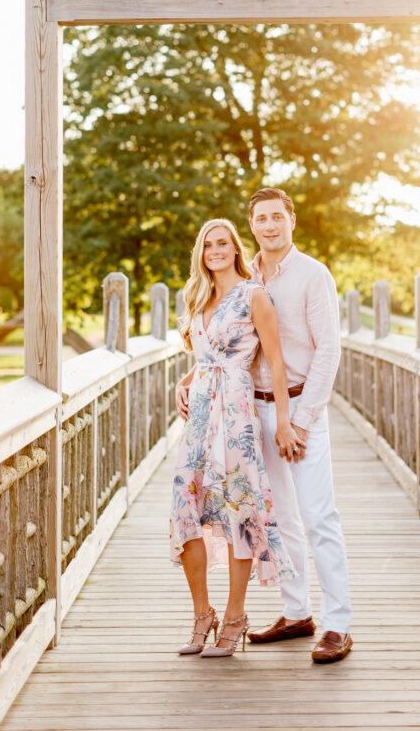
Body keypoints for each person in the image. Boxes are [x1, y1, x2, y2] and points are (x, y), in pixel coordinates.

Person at [178, 188, 353, 664]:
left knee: (319, 517)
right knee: (276, 517)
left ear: (291, 219)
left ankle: (338, 623)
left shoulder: (314, 276)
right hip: (245, 415)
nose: (270, 225)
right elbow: (228, 340)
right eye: (261, 218)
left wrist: (298, 422)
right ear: (250, 225)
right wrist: (194, 374)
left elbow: (328, 352)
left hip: (297, 411)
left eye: (278, 216)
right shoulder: (245, 273)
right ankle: (296, 611)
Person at [170, 217, 301, 658]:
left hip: (237, 411)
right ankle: (201, 613)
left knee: (239, 508)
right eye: (209, 246)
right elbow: (205, 353)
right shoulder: (200, 296)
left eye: (223, 243)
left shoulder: (253, 295)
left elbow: (277, 363)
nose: (216, 251)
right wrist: (184, 380)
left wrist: (284, 421)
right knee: (187, 507)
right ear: (201, 253)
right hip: (200, 412)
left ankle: (235, 616)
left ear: (236, 249)